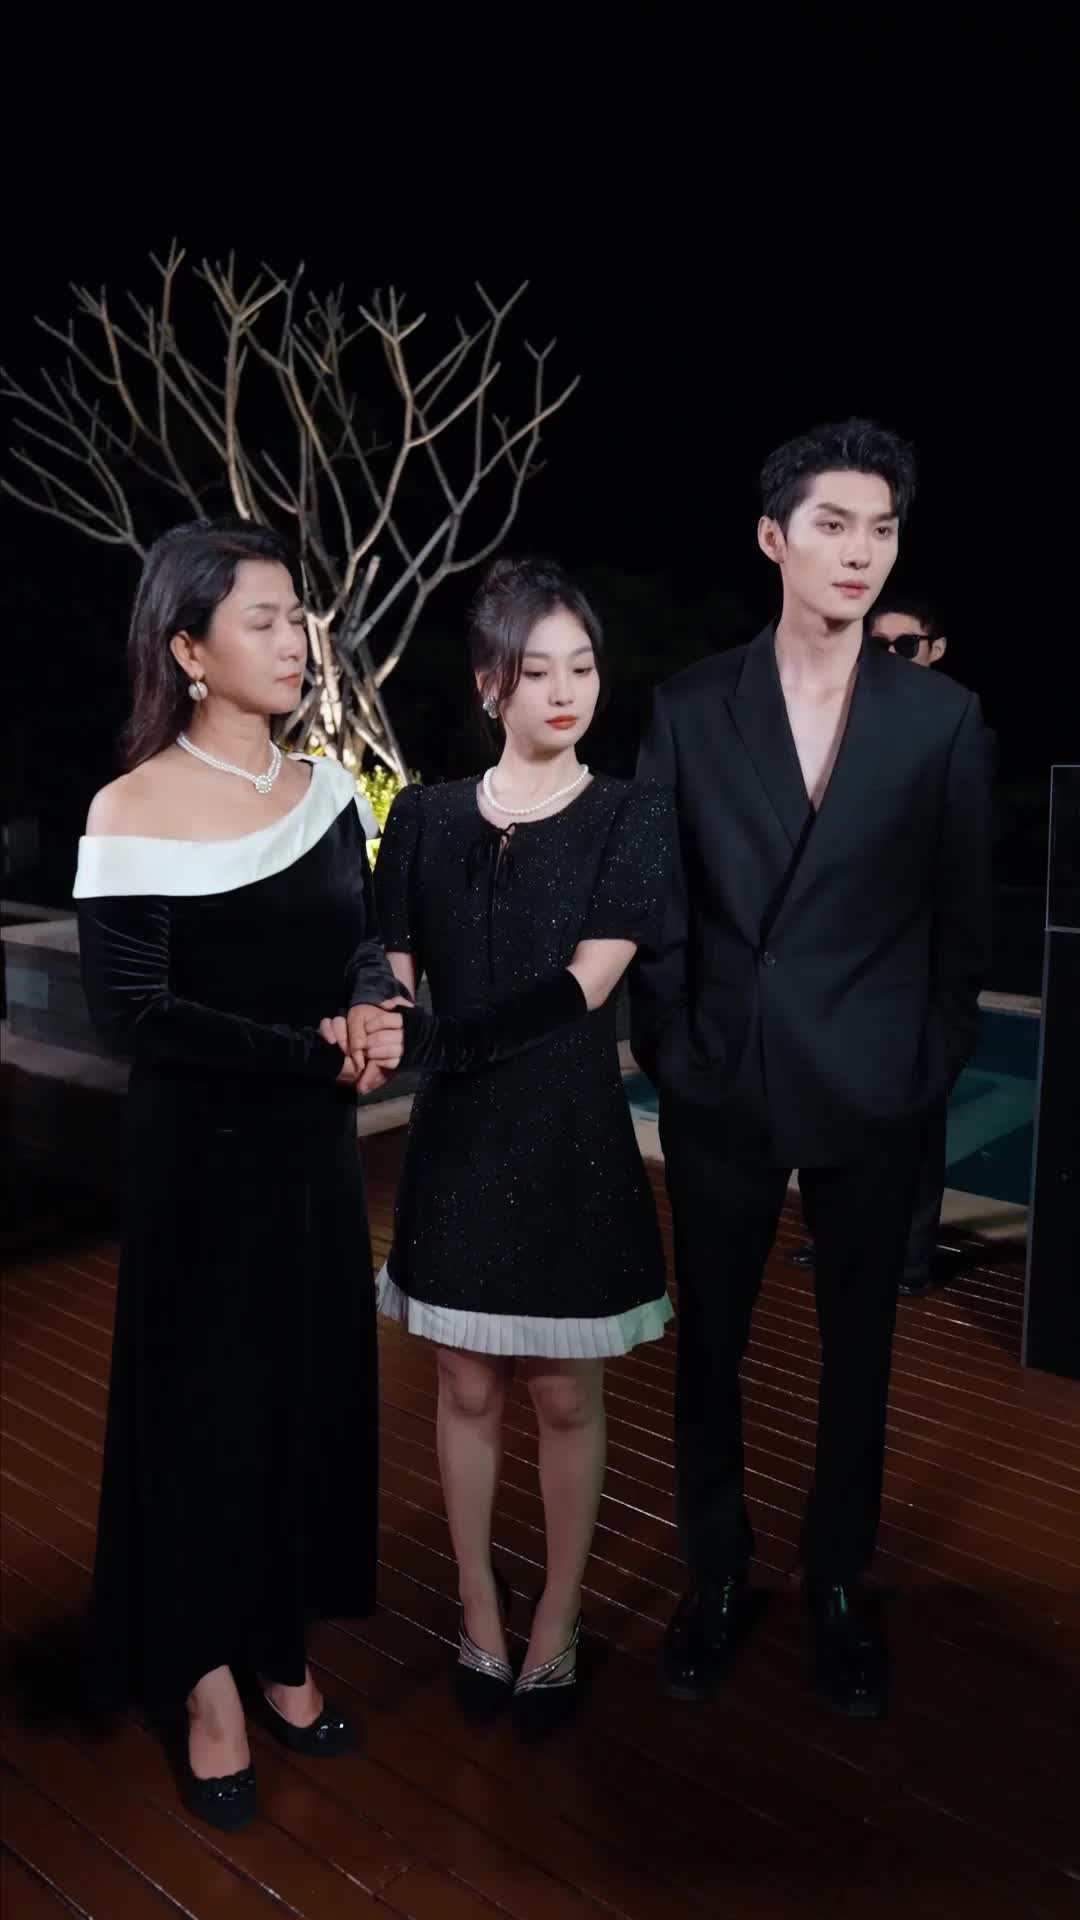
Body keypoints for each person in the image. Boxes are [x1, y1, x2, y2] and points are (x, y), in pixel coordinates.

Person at [630, 421, 992, 1716]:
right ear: (773, 537)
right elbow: (659, 898)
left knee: (860, 1349)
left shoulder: (942, 718)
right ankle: (716, 1573)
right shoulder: (689, 706)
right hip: (724, 1074)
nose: (860, 551)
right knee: (710, 1343)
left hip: (875, 1078)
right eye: (833, 525)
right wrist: (673, 1044)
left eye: (881, 528)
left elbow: (962, 919)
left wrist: (928, 1057)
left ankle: (838, 1579)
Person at [74, 518, 402, 1831]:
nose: (294, 639)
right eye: (262, 619)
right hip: (199, 1167)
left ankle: (277, 1644)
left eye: (296, 614)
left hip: (312, 1162)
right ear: (189, 650)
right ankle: (200, 1673)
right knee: (204, 1412)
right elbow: (134, 1016)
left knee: (302, 1398)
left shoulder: (326, 790)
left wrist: (373, 1009)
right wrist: (310, 1053)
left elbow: (362, 943)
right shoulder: (130, 808)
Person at [349, 556, 673, 1740]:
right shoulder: (424, 817)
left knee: (565, 1395)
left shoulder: (630, 812)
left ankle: (559, 1620)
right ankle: (480, 1610)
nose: (567, 691)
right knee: (464, 1383)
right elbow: (388, 957)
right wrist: (377, 1012)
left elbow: (587, 985)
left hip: (570, 1137)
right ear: (490, 682)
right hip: (458, 1144)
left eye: (582, 667)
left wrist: (433, 1039)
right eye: (539, 671)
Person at [790, 588, 953, 1295]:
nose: (888, 656)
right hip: (838, 955)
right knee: (827, 1103)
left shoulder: (956, 725)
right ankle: (828, 1235)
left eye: (904, 646)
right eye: (876, 644)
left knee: (915, 1118)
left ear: (935, 650)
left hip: (912, 961)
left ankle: (911, 1258)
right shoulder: (839, 720)